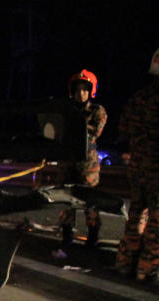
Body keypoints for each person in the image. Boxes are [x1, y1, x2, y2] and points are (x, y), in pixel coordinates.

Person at [115, 48, 159, 282]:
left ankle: (125, 262)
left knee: (136, 214)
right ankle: (147, 268)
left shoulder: (139, 98)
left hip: (138, 166)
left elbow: (123, 133)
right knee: (157, 220)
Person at [53, 69, 107, 259]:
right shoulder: (65, 110)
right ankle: (67, 237)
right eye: (77, 89)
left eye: (84, 89)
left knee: (90, 203)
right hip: (66, 163)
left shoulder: (97, 111)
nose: (80, 93)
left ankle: (92, 238)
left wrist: (74, 124)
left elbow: (95, 131)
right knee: (65, 201)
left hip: (87, 166)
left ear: (90, 91)